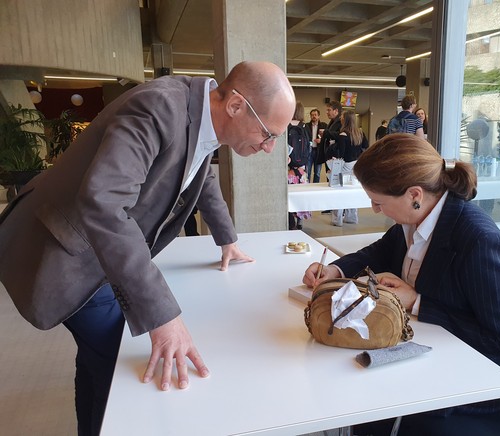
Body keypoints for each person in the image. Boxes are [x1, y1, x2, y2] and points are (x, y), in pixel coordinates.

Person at [0, 61, 295, 436]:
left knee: (97, 361)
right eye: (268, 134)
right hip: (72, 251)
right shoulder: (159, 108)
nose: (269, 147)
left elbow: (199, 177)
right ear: (236, 105)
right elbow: (104, 204)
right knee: (118, 372)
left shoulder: (201, 112)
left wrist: (227, 238)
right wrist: (162, 316)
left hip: (96, 249)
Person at [303, 134, 500, 433]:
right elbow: (379, 251)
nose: (375, 209)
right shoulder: (416, 219)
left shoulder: (478, 241)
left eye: (378, 202)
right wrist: (335, 269)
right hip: (421, 349)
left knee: (357, 385)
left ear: (414, 194)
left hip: (474, 378)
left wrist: (418, 302)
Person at [327, 110, 368, 226]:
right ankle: (352, 217)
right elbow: (366, 146)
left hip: (345, 165)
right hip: (356, 164)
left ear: (345, 120)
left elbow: (341, 154)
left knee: (338, 191)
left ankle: (337, 219)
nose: (340, 118)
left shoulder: (343, 135)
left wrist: (332, 146)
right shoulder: (360, 133)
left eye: (342, 117)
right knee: (352, 191)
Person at [287, 101, 312, 230]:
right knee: (301, 194)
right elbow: (310, 146)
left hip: (288, 166)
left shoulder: (286, 126)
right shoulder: (305, 127)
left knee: (289, 194)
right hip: (302, 167)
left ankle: (290, 218)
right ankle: (300, 219)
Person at [304, 108, 327, 183]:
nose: (314, 116)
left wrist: (321, 140)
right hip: (309, 151)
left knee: (317, 173)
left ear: (318, 116)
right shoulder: (306, 126)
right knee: (308, 172)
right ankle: (307, 187)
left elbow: (327, 138)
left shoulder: (324, 125)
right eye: (312, 115)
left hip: (319, 151)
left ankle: (315, 187)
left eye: (315, 115)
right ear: (310, 116)